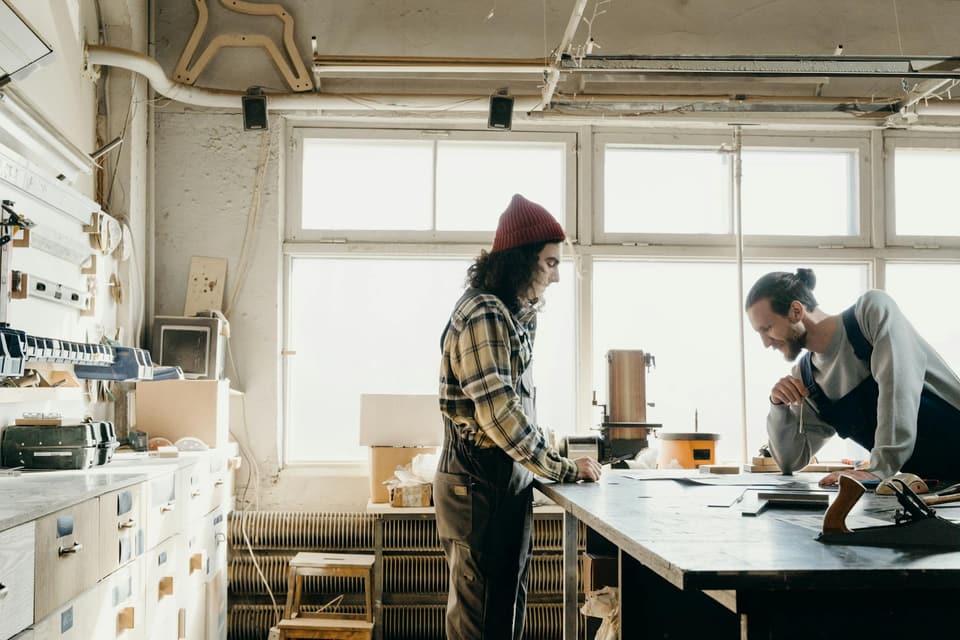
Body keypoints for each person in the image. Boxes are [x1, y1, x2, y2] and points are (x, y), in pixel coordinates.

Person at [435, 194, 602, 640]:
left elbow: (516, 408)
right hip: (479, 487)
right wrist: (561, 467)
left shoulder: (510, 314)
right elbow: (500, 414)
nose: (557, 276)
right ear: (520, 261)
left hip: (501, 484)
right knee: (482, 625)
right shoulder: (485, 313)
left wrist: (554, 449)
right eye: (550, 263)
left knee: (502, 615)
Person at [745, 268, 960, 488]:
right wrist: (778, 407)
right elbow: (791, 461)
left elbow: (898, 389)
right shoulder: (807, 377)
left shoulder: (871, 312)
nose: (766, 342)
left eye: (767, 328)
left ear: (796, 311)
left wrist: (878, 469)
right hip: (938, 486)